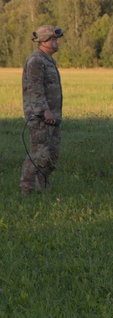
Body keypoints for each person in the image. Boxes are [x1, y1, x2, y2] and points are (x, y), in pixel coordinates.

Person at [20, 25, 63, 195]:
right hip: (41, 116)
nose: (56, 42)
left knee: (51, 155)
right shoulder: (36, 61)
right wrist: (44, 110)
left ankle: (43, 188)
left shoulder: (48, 60)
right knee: (39, 154)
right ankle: (26, 190)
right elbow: (35, 88)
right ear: (44, 41)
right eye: (53, 39)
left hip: (53, 116)